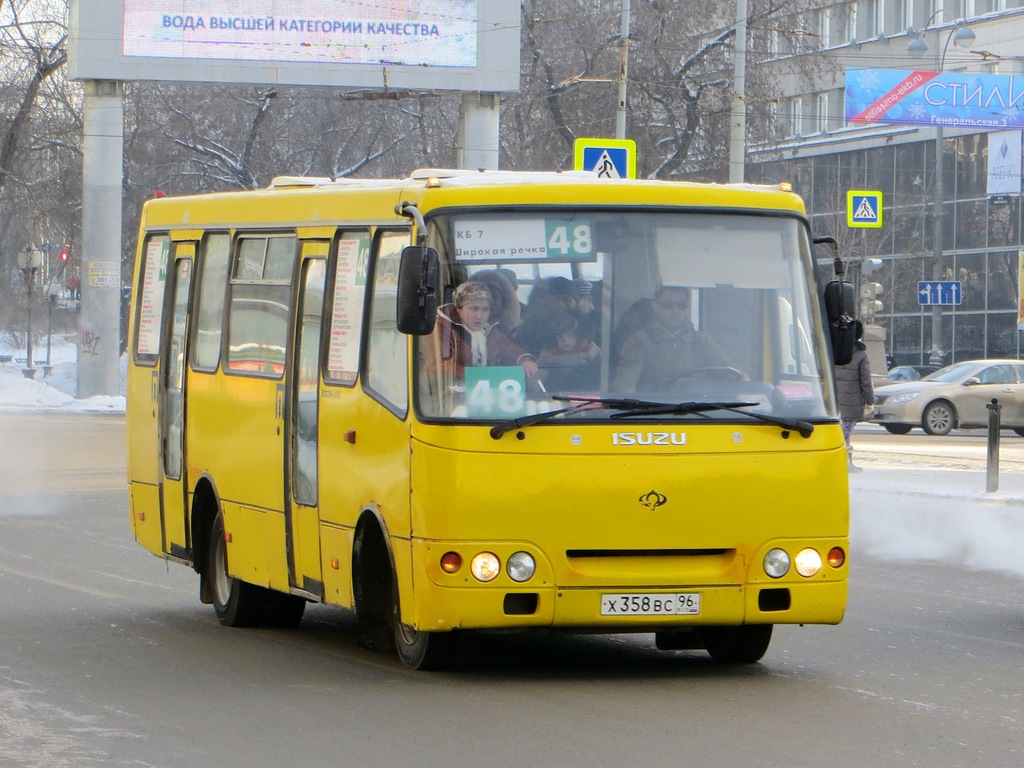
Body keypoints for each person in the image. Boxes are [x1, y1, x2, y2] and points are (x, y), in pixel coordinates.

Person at [611, 285, 731, 392]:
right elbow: (625, 385)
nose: (676, 311)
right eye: (668, 305)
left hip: (700, 410)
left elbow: (728, 372)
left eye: (681, 305)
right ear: (655, 306)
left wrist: (741, 378)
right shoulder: (638, 341)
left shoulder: (702, 340)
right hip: (655, 412)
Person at [422, 281, 539, 383]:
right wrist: (481, 376)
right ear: (458, 308)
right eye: (474, 309)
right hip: (442, 396)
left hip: (480, 392)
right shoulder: (440, 327)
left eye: (485, 310)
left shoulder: (490, 330)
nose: (479, 316)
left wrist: (525, 360)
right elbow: (438, 366)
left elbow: (508, 348)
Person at [834, 320, 875, 472]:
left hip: (833, 404)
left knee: (836, 434)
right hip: (852, 404)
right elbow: (866, 381)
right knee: (846, 435)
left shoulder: (833, 350)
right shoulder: (861, 355)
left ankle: (839, 462)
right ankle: (845, 464)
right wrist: (870, 401)